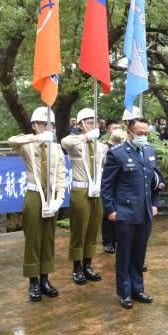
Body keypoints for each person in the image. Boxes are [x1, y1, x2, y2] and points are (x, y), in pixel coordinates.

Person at [8, 107, 66, 302]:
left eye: (51, 124)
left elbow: (60, 175)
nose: (49, 128)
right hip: (34, 195)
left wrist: (59, 199)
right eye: (44, 124)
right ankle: (33, 281)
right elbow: (12, 141)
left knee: (48, 238)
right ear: (34, 125)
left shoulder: (56, 148)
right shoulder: (28, 145)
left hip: (51, 196)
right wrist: (36, 138)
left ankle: (45, 279)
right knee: (33, 238)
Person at [101, 118, 160, 309]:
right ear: (130, 132)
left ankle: (138, 289)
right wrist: (110, 210)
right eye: (139, 133)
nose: (143, 137)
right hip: (125, 212)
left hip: (145, 212)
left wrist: (154, 203)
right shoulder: (116, 154)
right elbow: (107, 186)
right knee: (124, 254)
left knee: (139, 253)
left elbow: (156, 182)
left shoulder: (150, 151)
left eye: (146, 133)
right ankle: (125, 292)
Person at [61, 108, 107, 285]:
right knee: (79, 229)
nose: (92, 125)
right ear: (80, 125)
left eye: (94, 122)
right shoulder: (75, 141)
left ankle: (88, 264)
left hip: (97, 191)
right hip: (81, 190)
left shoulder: (100, 146)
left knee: (93, 228)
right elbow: (65, 142)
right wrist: (87, 136)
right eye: (88, 122)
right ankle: (76, 267)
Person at [101, 119, 123, 254]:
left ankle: (119, 238)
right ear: (108, 130)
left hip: (121, 184)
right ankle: (108, 241)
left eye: (119, 128)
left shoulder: (124, 146)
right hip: (108, 182)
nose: (117, 130)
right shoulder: (104, 147)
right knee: (108, 212)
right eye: (115, 128)